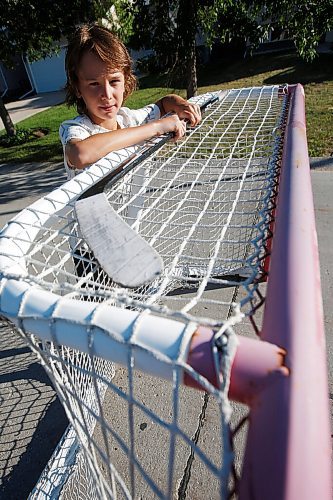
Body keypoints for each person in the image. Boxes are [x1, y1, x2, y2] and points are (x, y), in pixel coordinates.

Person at [59, 23, 202, 179]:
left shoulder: (129, 120)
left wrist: (181, 105)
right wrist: (157, 127)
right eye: (94, 84)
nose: (107, 94)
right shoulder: (77, 129)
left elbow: (164, 103)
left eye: (114, 81)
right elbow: (80, 155)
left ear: (125, 80)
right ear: (78, 88)